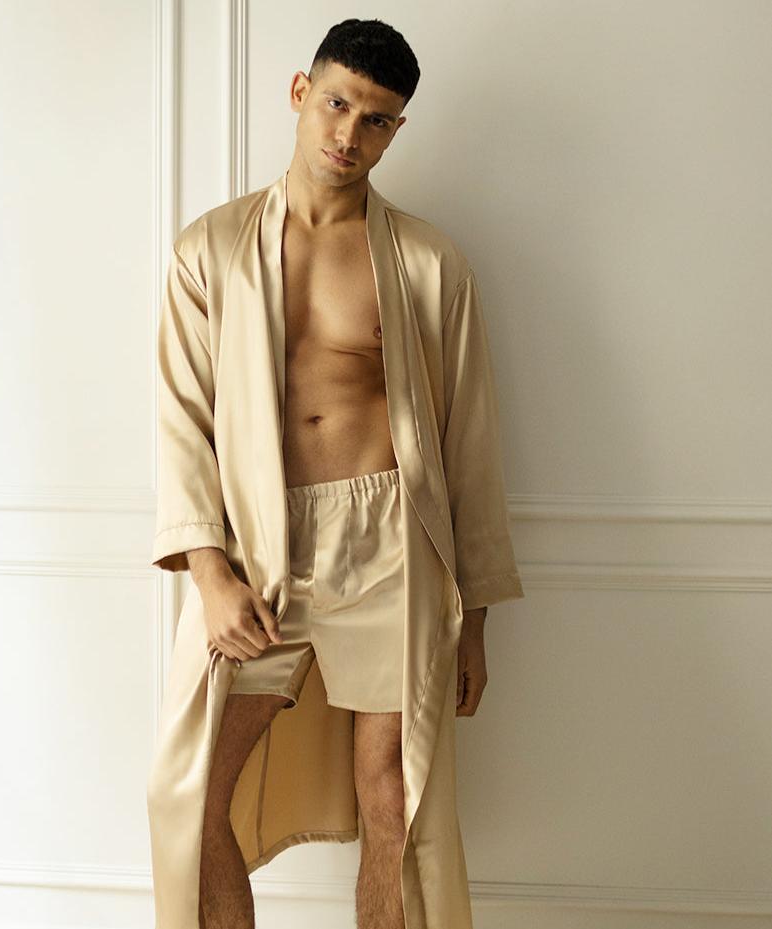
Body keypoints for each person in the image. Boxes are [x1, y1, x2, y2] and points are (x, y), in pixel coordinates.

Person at [147, 18, 525, 929]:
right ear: (297, 93)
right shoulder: (211, 251)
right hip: (256, 545)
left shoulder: (431, 266)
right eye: (336, 103)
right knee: (190, 791)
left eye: (376, 120)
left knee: (392, 791)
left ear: (397, 132)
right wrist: (210, 573)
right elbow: (181, 425)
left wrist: (471, 617)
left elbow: (465, 442)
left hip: (393, 544)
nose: (347, 134)